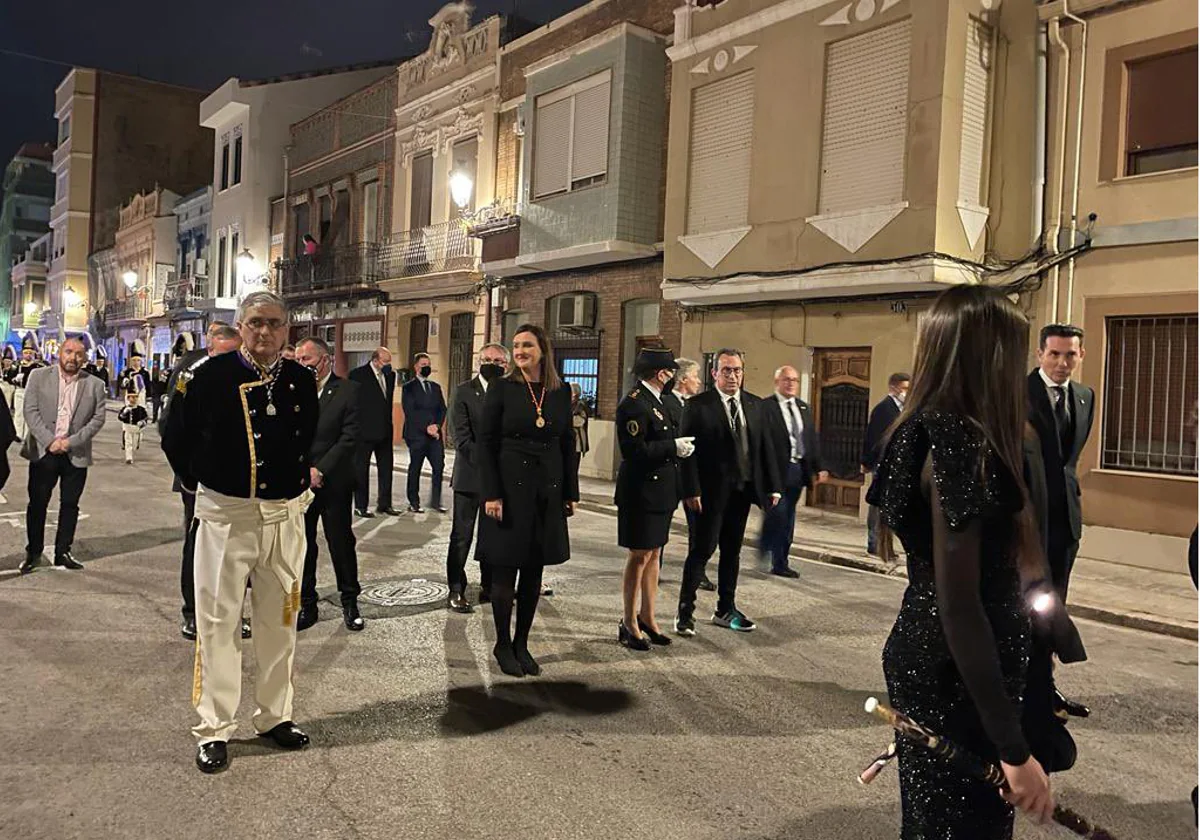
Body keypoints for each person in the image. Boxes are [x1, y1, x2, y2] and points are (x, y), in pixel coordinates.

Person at [868, 285, 1054, 837]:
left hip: (941, 662)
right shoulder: (955, 439)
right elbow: (960, 605)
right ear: (987, 353)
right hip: (957, 676)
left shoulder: (924, 426)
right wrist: (1014, 752)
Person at [161, 290, 318, 775]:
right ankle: (215, 727)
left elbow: (307, 438)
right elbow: (175, 436)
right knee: (218, 623)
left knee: (281, 623)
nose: (264, 332)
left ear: (286, 329)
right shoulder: (207, 377)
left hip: (285, 519)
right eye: (255, 323)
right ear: (240, 326)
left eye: (273, 323)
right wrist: (201, 482)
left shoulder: (300, 380)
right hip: (228, 516)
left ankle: (275, 716)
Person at [478, 324, 579, 677]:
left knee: (534, 572)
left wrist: (570, 492)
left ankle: (522, 642)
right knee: (505, 571)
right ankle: (502, 644)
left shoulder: (560, 391)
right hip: (507, 490)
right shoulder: (502, 388)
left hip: (546, 491)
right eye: (516, 345)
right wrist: (490, 493)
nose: (520, 351)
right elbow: (485, 443)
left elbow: (567, 443)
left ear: (543, 349)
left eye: (527, 345)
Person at [675, 349, 782, 636]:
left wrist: (773, 486)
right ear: (715, 374)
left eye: (736, 370)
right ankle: (685, 613)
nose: (732, 376)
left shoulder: (755, 405)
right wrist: (690, 489)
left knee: (732, 552)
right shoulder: (698, 406)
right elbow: (687, 452)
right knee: (702, 550)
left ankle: (725, 608)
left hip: (741, 493)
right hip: (707, 494)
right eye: (726, 370)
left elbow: (765, 448)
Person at [160, 322, 249, 641]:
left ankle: (233, 612)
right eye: (227, 354)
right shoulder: (191, 372)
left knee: (237, 550)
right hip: (198, 480)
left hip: (237, 481)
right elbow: (170, 431)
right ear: (212, 348)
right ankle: (194, 613)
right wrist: (187, 478)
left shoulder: (246, 372)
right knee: (199, 546)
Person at [1025, 325, 1096, 724]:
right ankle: (1023, 687)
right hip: (1027, 520)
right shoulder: (1017, 393)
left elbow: (1069, 462)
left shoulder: (1085, 397)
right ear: (1040, 355)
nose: (1061, 363)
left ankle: (1044, 687)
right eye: (1054, 354)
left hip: (1065, 521)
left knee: (1053, 607)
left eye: (1070, 355)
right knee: (1025, 607)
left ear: (1081, 355)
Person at [615, 348, 693, 651]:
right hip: (641, 491)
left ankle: (647, 616)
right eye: (670, 372)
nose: (673, 377)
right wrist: (672, 447)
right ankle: (628, 622)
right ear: (661, 374)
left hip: (662, 491)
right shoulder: (633, 404)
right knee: (639, 555)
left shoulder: (660, 401)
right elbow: (634, 451)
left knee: (655, 554)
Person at [18, 337, 107, 574]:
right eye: (68, 352)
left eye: (78, 354)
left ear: (85, 357)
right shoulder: (38, 377)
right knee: (37, 504)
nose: (73, 358)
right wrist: (49, 441)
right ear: (60, 352)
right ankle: (33, 552)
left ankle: (63, 551)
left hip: (75, 453)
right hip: (43, 452)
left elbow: (97, 419)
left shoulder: (95, 385)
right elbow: (30, 410)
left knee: (70, 504)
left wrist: (69, 442)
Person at [295, 337, 365, 633]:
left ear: (325, 360)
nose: (302, 366)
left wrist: (320, 469)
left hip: (334, 480)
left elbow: (349, 438)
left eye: (307, 360)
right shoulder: (293, 391)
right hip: (300, 482)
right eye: (298, 360)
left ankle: (350, 600)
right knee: (303, 545)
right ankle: (306, 603)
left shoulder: (349, 391)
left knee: (340, 542)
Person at [445, 344, 506, 612]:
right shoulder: (464, 391)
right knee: (462, 536)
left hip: (501, 479)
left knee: (492, 536)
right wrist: (489, 464)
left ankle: (489, 585)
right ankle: (455, 588)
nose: (492, 364)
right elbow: (461, 437)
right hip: (471, 476)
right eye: (487, 359)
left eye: (498, 361)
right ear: (478, 361)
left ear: (506, 365)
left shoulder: (510, 390)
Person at [760, 365, 828, 578]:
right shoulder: (765, 407)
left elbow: (810, 439)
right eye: (786, 379)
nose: (791, 383)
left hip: (797, 469)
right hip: (775, 470)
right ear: (777, 382)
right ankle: (767, 546)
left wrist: (819, 467)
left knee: (788, 516)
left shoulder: (803, 407)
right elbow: (761, 442)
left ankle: (781, 561)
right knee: (777, 512)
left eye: (795, 380)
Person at [662, 358, 714, 590]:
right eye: (695, 376)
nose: (698, 381)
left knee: (699, 529)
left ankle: (697, 572)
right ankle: (655, 567)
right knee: (661, 525)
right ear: (682, 379)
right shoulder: (666, 403)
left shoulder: (697, 405)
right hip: (672, 475)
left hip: (694, 478)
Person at [862, 372, 910, 561]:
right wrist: (867, 461)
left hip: (897, 465)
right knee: (877, 506)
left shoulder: (904, 409)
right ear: (894, 388)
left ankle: (886, 545)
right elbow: (873, 437)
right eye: (904, 389)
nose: (906, 392)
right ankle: (874, 543)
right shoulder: (884, 409)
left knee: (891, 506)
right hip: (882, 464)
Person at [349, 347, 399, 518]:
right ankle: (361, 506)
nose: (388, 366)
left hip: (385, 430)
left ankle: (385, 504)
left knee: (386, 468)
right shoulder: (358, 375)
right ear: (376, 360)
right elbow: (352, 403)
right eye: (385, 362)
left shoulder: (390, 376)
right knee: (361, 469)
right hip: (364, 431)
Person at [401, 352, 447, 513]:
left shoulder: (435, 387)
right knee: (416, 467)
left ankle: (436, 501)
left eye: (428, 364)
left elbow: (442, 409)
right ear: (416, 367)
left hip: (435, 436)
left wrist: (437, 426)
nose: (426, 367)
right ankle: (413, 501)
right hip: (416, 435)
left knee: (439, 467)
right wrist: (426, 428)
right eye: (423, 365)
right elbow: (410, 411)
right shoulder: (408, 388)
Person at [12, 338, 46, 442]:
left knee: (29, 414)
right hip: (20, 390)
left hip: (31, 392)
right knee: (18, 413)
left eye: (29, 353)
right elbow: (9, 377)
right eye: (26, 353)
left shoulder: (36, 366)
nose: (28, 355)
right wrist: (15, 378)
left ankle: (27, 435)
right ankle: (17, 434)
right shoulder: (17, 365)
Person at [117, 389, 149, 465]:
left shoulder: (141, 409)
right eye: (132, 397)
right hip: (127, 427)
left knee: (134, 445)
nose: (134, 399)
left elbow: (145, 418)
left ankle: (133, 450)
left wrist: (142, 422)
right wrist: (124, 413)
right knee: (128, 443)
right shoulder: (125, 408)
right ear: (128, 398)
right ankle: (129, 458)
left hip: (136, 429)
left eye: (135, 397)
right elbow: (120, 417)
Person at [570, 383, 590, 474]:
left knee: (573, 469)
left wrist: (566, 420)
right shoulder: (567, 404)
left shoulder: (580, 406)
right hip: (568, 441)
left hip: (576, 442)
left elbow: (579, 421)